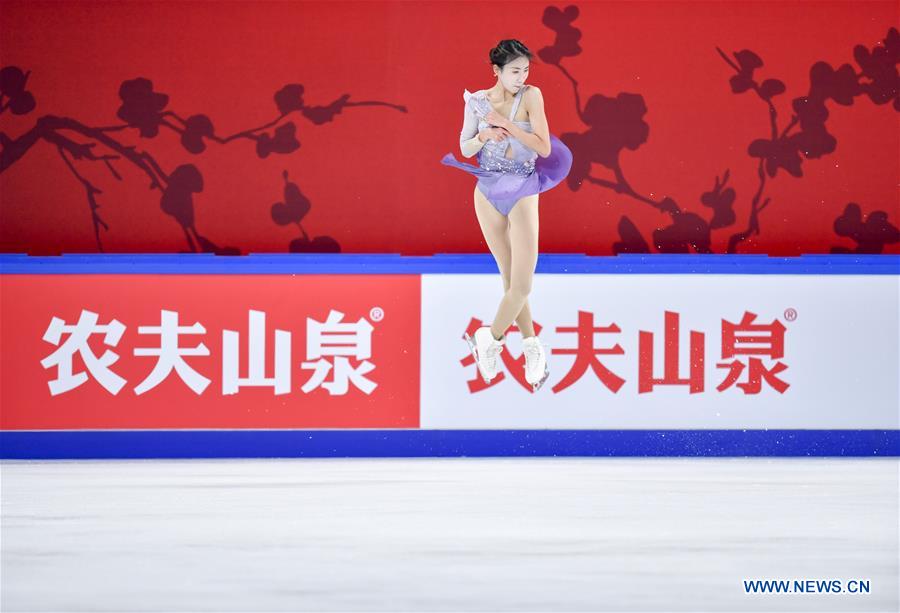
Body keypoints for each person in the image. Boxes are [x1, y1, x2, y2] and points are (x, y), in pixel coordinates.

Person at [441, 39, 573, 392]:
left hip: (523, 190)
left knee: (523, 283)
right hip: (486, 191)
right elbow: (464, 147)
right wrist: (484, 133)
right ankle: (532, 347)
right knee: (509, 280)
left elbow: (543, 146)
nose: (522, 77)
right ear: (496, 71)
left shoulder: (532, 96)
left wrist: (507, 124)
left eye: (525, 70)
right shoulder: (478, 101)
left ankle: (489, 336)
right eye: (515, 71)